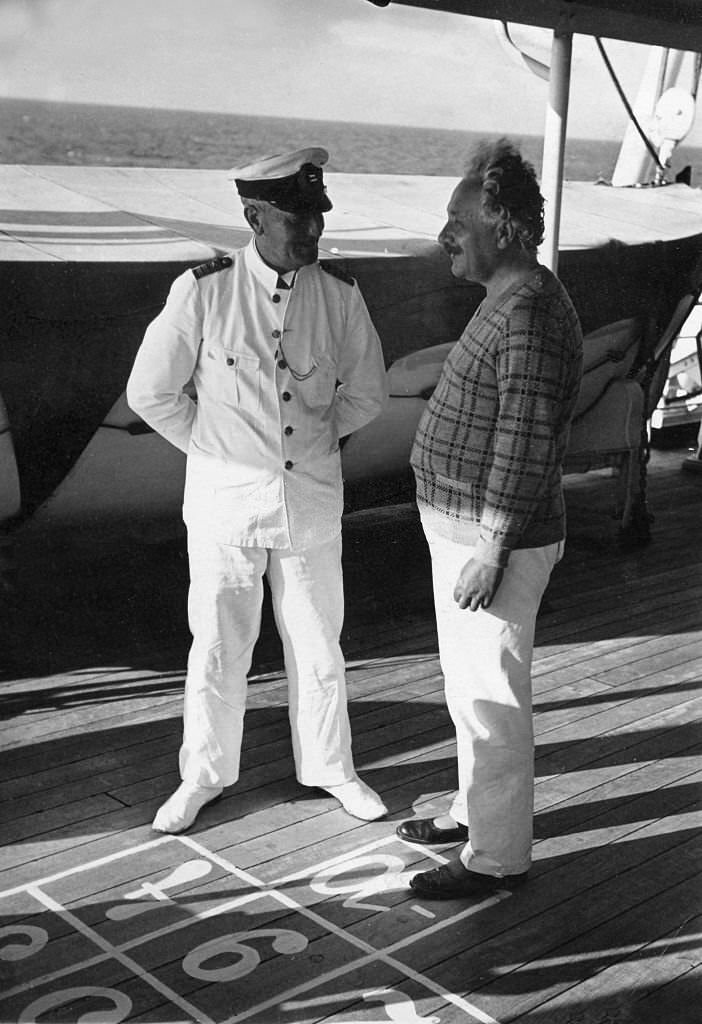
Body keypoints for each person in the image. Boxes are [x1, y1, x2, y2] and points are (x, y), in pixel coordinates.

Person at [127, 147, 388, 834]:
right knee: (216, 647)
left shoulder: (339, 297)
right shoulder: (205, 291)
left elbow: (365, 395)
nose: (313, 231)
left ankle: (333, 769)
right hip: (225, 507)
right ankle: (203, 777)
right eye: (297, 218)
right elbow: (150, 393)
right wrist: (218, 451)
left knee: (318, 645)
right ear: (253, 216)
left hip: (309, 504)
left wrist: (311, 449)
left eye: (316, 216)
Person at [397, 138, 583, 899]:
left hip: (490, 541)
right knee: (466, 686)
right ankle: (473, 813)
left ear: (503, 226)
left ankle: (497, 857)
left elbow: (523, 440)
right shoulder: (508, 297)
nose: (446, 233)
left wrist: (491, 550)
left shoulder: (530, 310)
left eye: (458, 220)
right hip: (466, 532)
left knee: (492, 699)